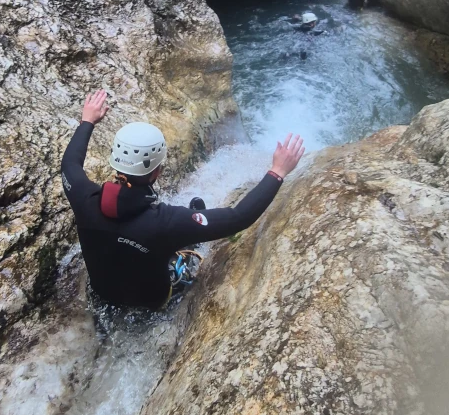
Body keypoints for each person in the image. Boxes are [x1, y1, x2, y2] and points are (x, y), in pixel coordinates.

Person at [61, 90, 305, 309]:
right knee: (192, 218)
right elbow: (239, 217)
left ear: (115, 160)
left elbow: (70, 163)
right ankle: (189, 247)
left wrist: (87, 121)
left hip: (103, 294)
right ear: (157, 171)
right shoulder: (168, 222)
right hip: (152, 301)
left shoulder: (83, 198)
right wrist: (277, 172)